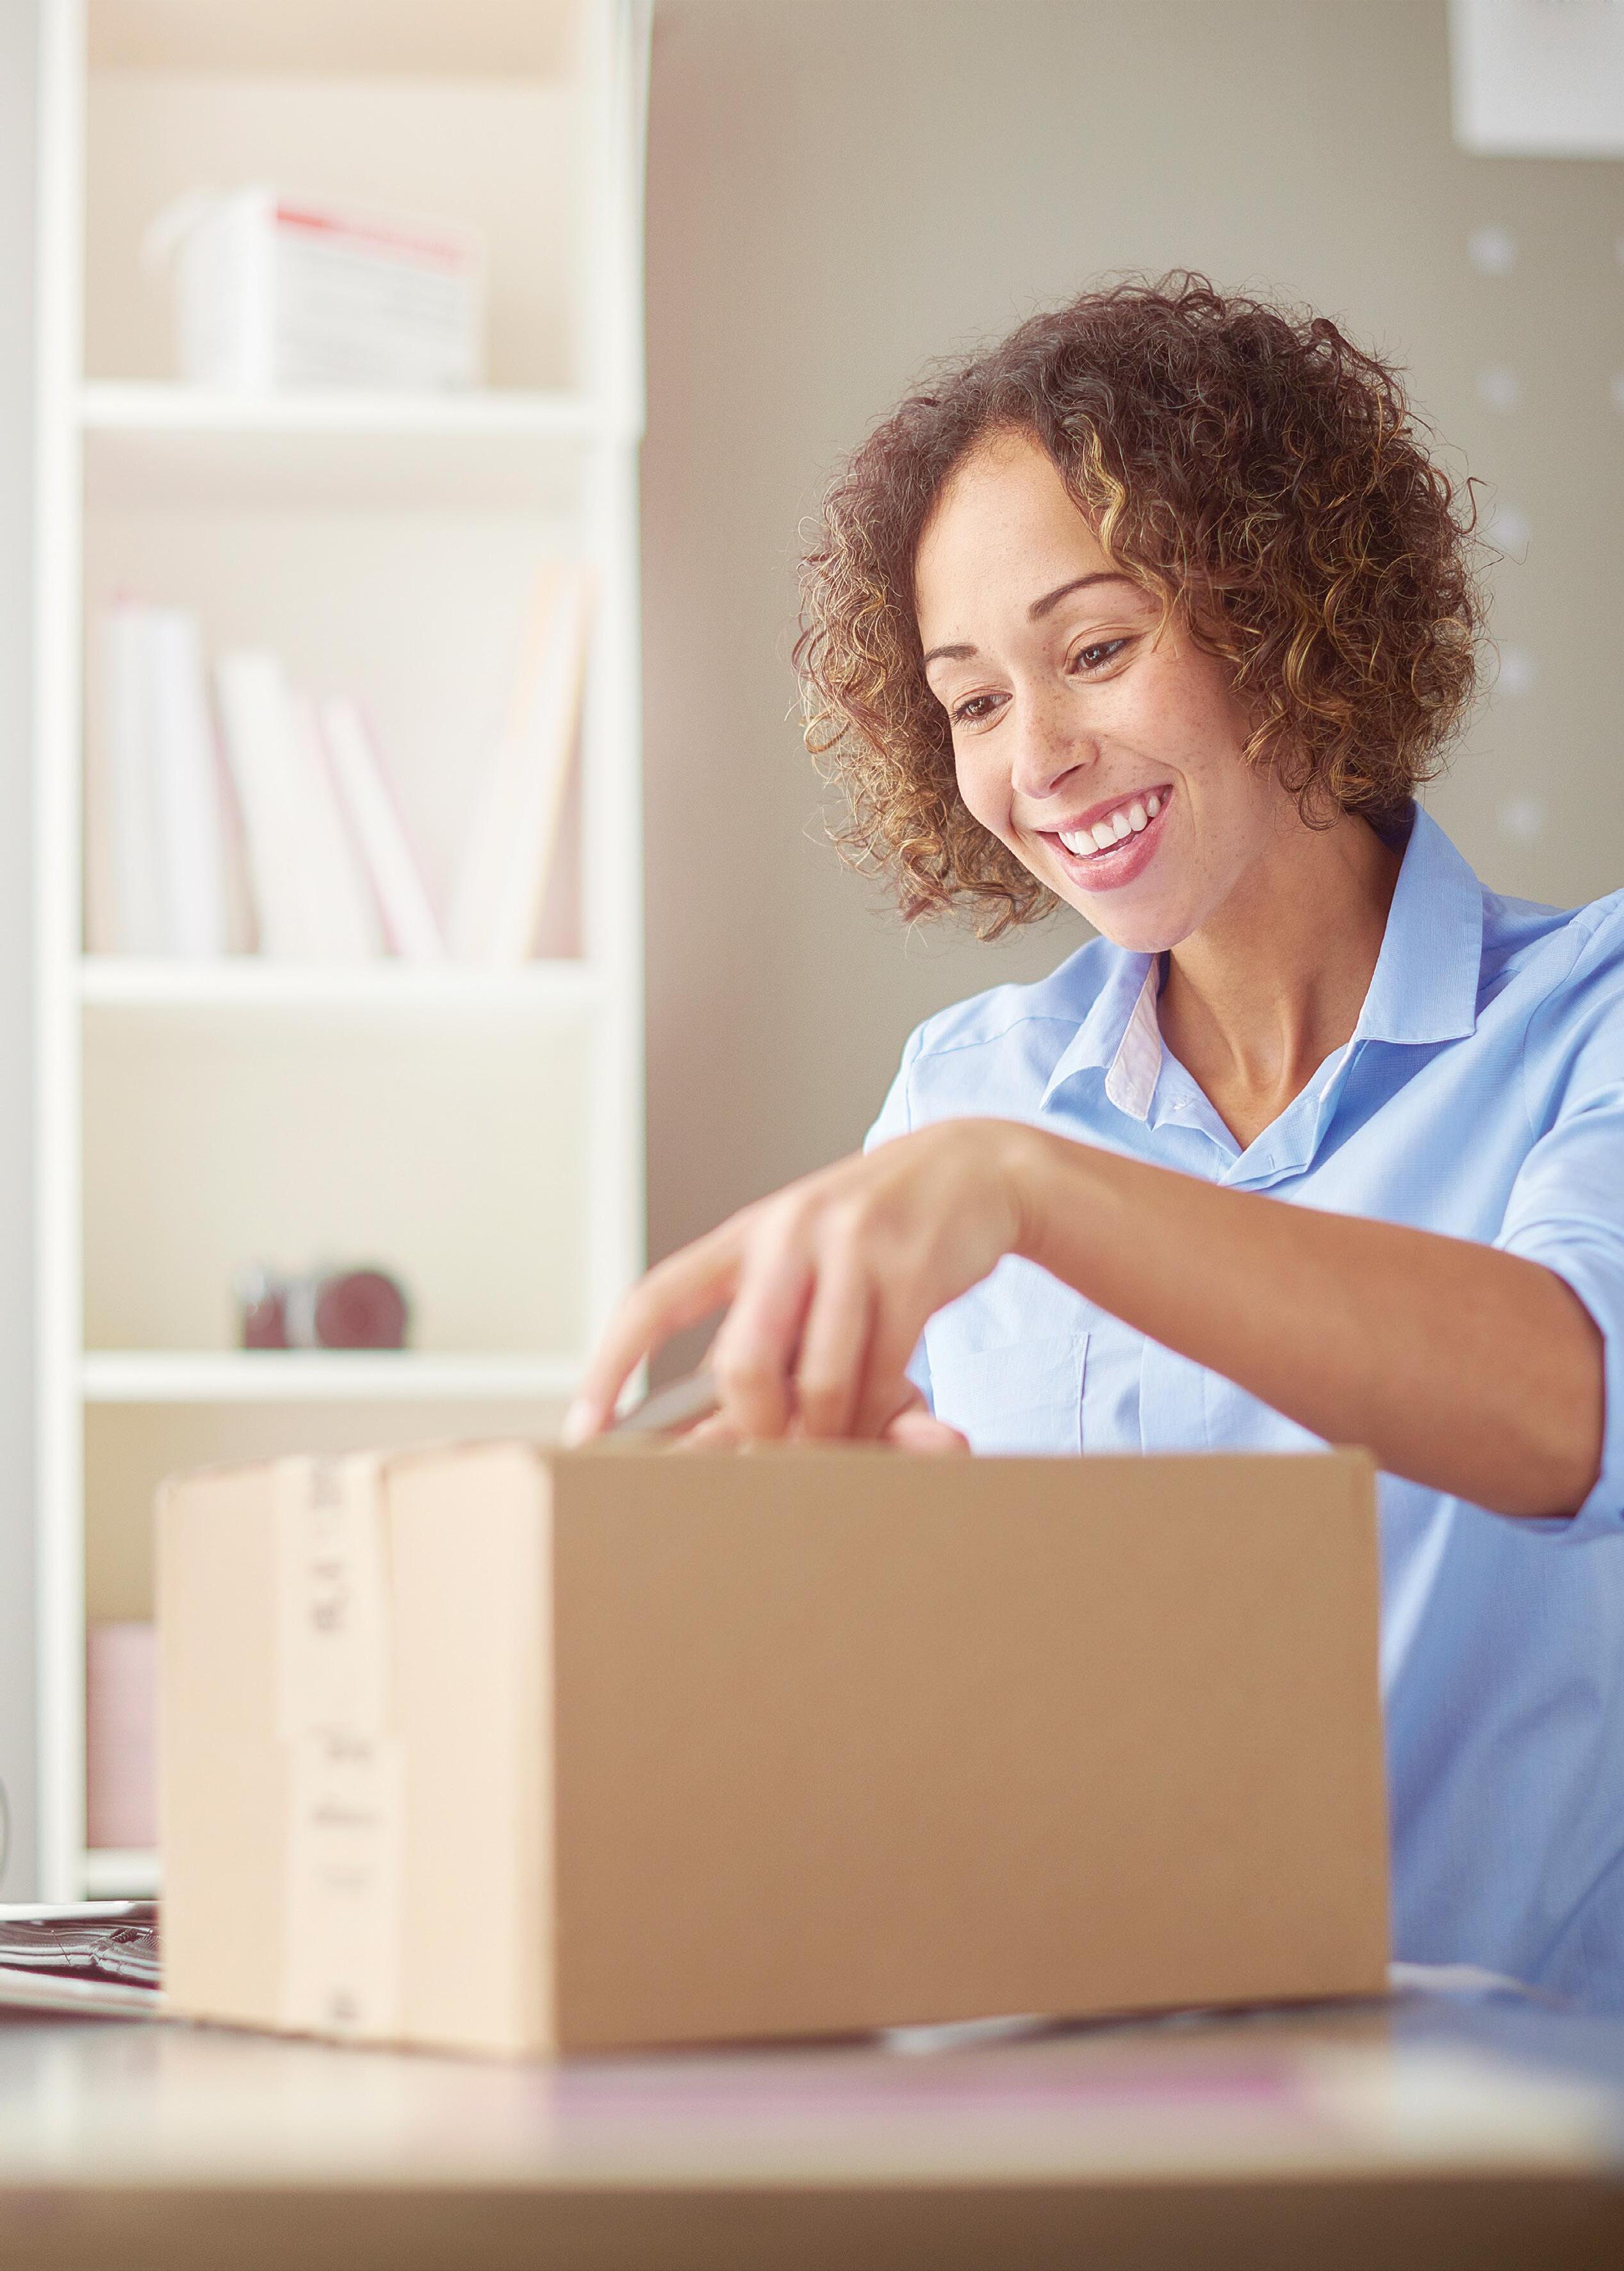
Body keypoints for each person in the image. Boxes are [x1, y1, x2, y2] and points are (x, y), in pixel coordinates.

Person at [566, 276, 1624, 2007]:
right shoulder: (964, 1090)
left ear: (1283, 613)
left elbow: (1572, 1408)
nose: (1039, 761)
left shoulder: (1590, 1021)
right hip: (1066, 2093)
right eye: (974, 701)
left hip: (1503, 2120)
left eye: (1098, 650)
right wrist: (778, 1561)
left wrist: (1038, 1195)